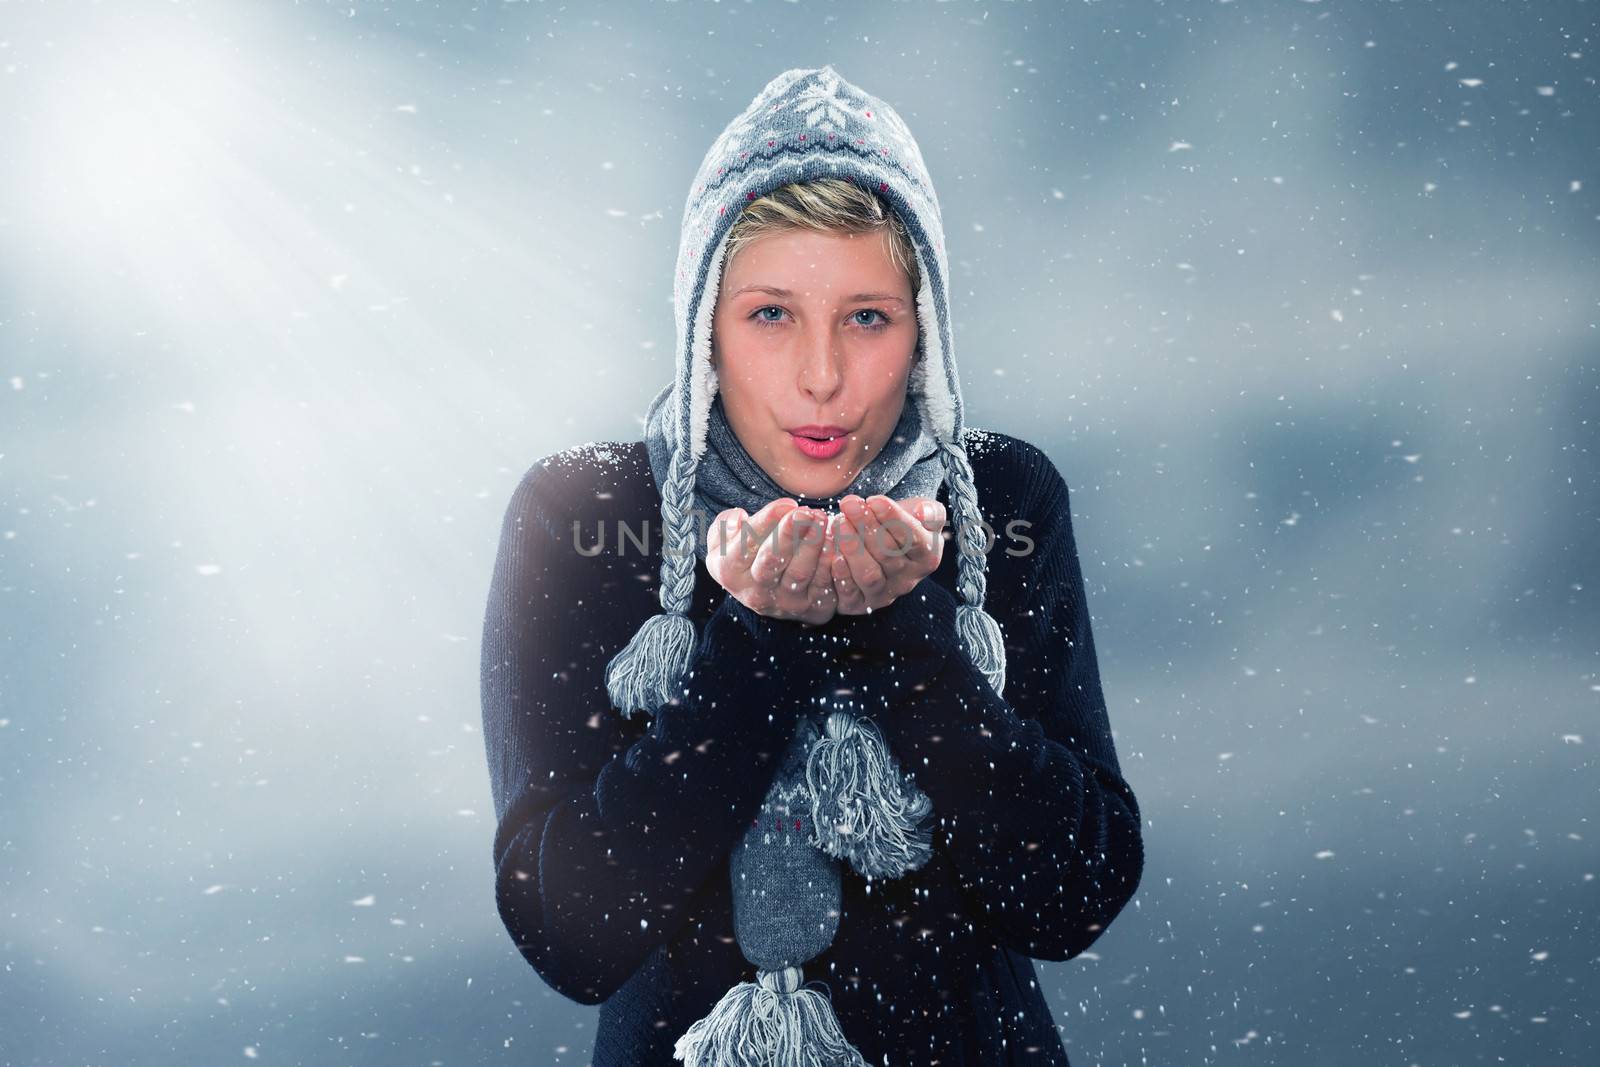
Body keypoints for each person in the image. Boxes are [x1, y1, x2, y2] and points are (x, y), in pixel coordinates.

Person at [480, 66, 1144, 1065]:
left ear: (927, 332)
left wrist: (911, 643)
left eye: (866, 317)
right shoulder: (584, 516)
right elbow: (572, 932)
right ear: (703, 324)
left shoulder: (1000, 502)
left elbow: (1072, 894)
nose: (822, 376)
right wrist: (753, 644)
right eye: (771, 314)